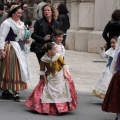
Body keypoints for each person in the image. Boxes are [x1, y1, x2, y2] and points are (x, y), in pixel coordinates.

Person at [25, 42, 78, 115]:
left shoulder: (58, 56)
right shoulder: (43, 59)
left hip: (59, 75)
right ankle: (48, 108)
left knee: (60, 90)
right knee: (46, 90)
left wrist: (65, 73)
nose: (56, 50)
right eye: (55, 49)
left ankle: (61, 108)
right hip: (50, 76)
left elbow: (64, 64)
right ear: (49, 51)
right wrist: (45, 79)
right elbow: (42, 70)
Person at [0, 5, 31, 102]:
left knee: (19, 68)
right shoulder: (7, 23)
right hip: (11, 47)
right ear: (13, 13)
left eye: (21, 13)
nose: (20, 15)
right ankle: (14, 91)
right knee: (13, 70)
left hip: (20, 49)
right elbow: (2, 36)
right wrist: (1, 49)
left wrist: (27, 40)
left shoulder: (21, 23)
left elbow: (22, 37)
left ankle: (10, 90)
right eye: (18, 13)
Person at [102, 36, 120, 120]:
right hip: (118, 74)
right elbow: (114, 63)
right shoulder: (118, 51)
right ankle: (118, 115)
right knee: (117, 96)